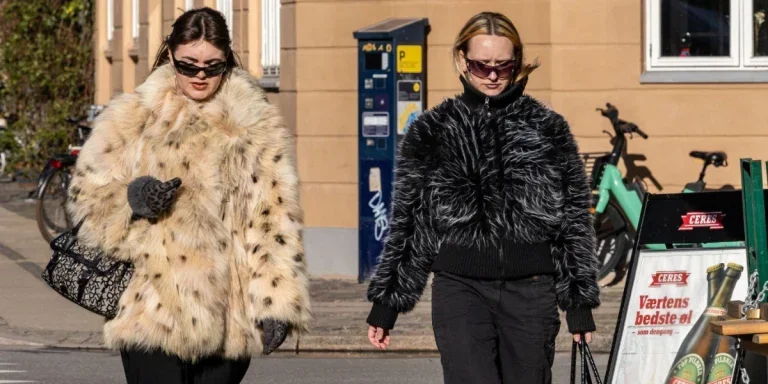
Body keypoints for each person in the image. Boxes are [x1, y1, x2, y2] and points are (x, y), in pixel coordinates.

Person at [66, 7, 310, 384]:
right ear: (170, 55)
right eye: (188, 65)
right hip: (151, 310)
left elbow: (274, 219)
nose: (199, 75)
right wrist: (133, 200)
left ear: (227, 61)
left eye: (212, 66)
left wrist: (277, 301)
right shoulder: (133, 117)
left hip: (228, 317)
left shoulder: (255, 125)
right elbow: (85, 201)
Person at [364, 11, 600, 384]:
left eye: (503, 66)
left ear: (517, 63)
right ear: (462, 59)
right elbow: (411, 222)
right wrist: (387, 303)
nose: (492, 75)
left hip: (532, 291)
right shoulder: (432, 130)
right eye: (481, 64)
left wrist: (579, 303)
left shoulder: (547, 128)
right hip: (461, 290)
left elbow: (573, 221)